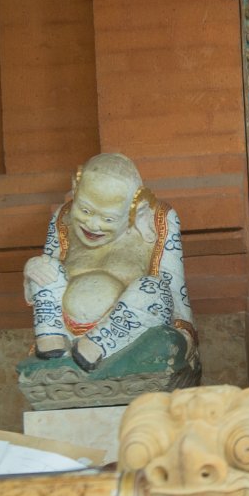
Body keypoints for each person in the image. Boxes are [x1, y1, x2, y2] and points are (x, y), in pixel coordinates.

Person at [23, 153, 198, 372]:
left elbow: (173, 292)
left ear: (136, 210)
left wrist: (184, 338)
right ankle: (52, 343)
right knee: (44, 266)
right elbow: (47, 279)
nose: (92, 225)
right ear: (75, 190)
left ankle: (96, 347)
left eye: (108, 219)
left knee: (155, 289)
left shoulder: (158, 219)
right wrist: (33, 270)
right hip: (65, 329)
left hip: (127, 329)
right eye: (85, 210)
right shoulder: (63, 217)